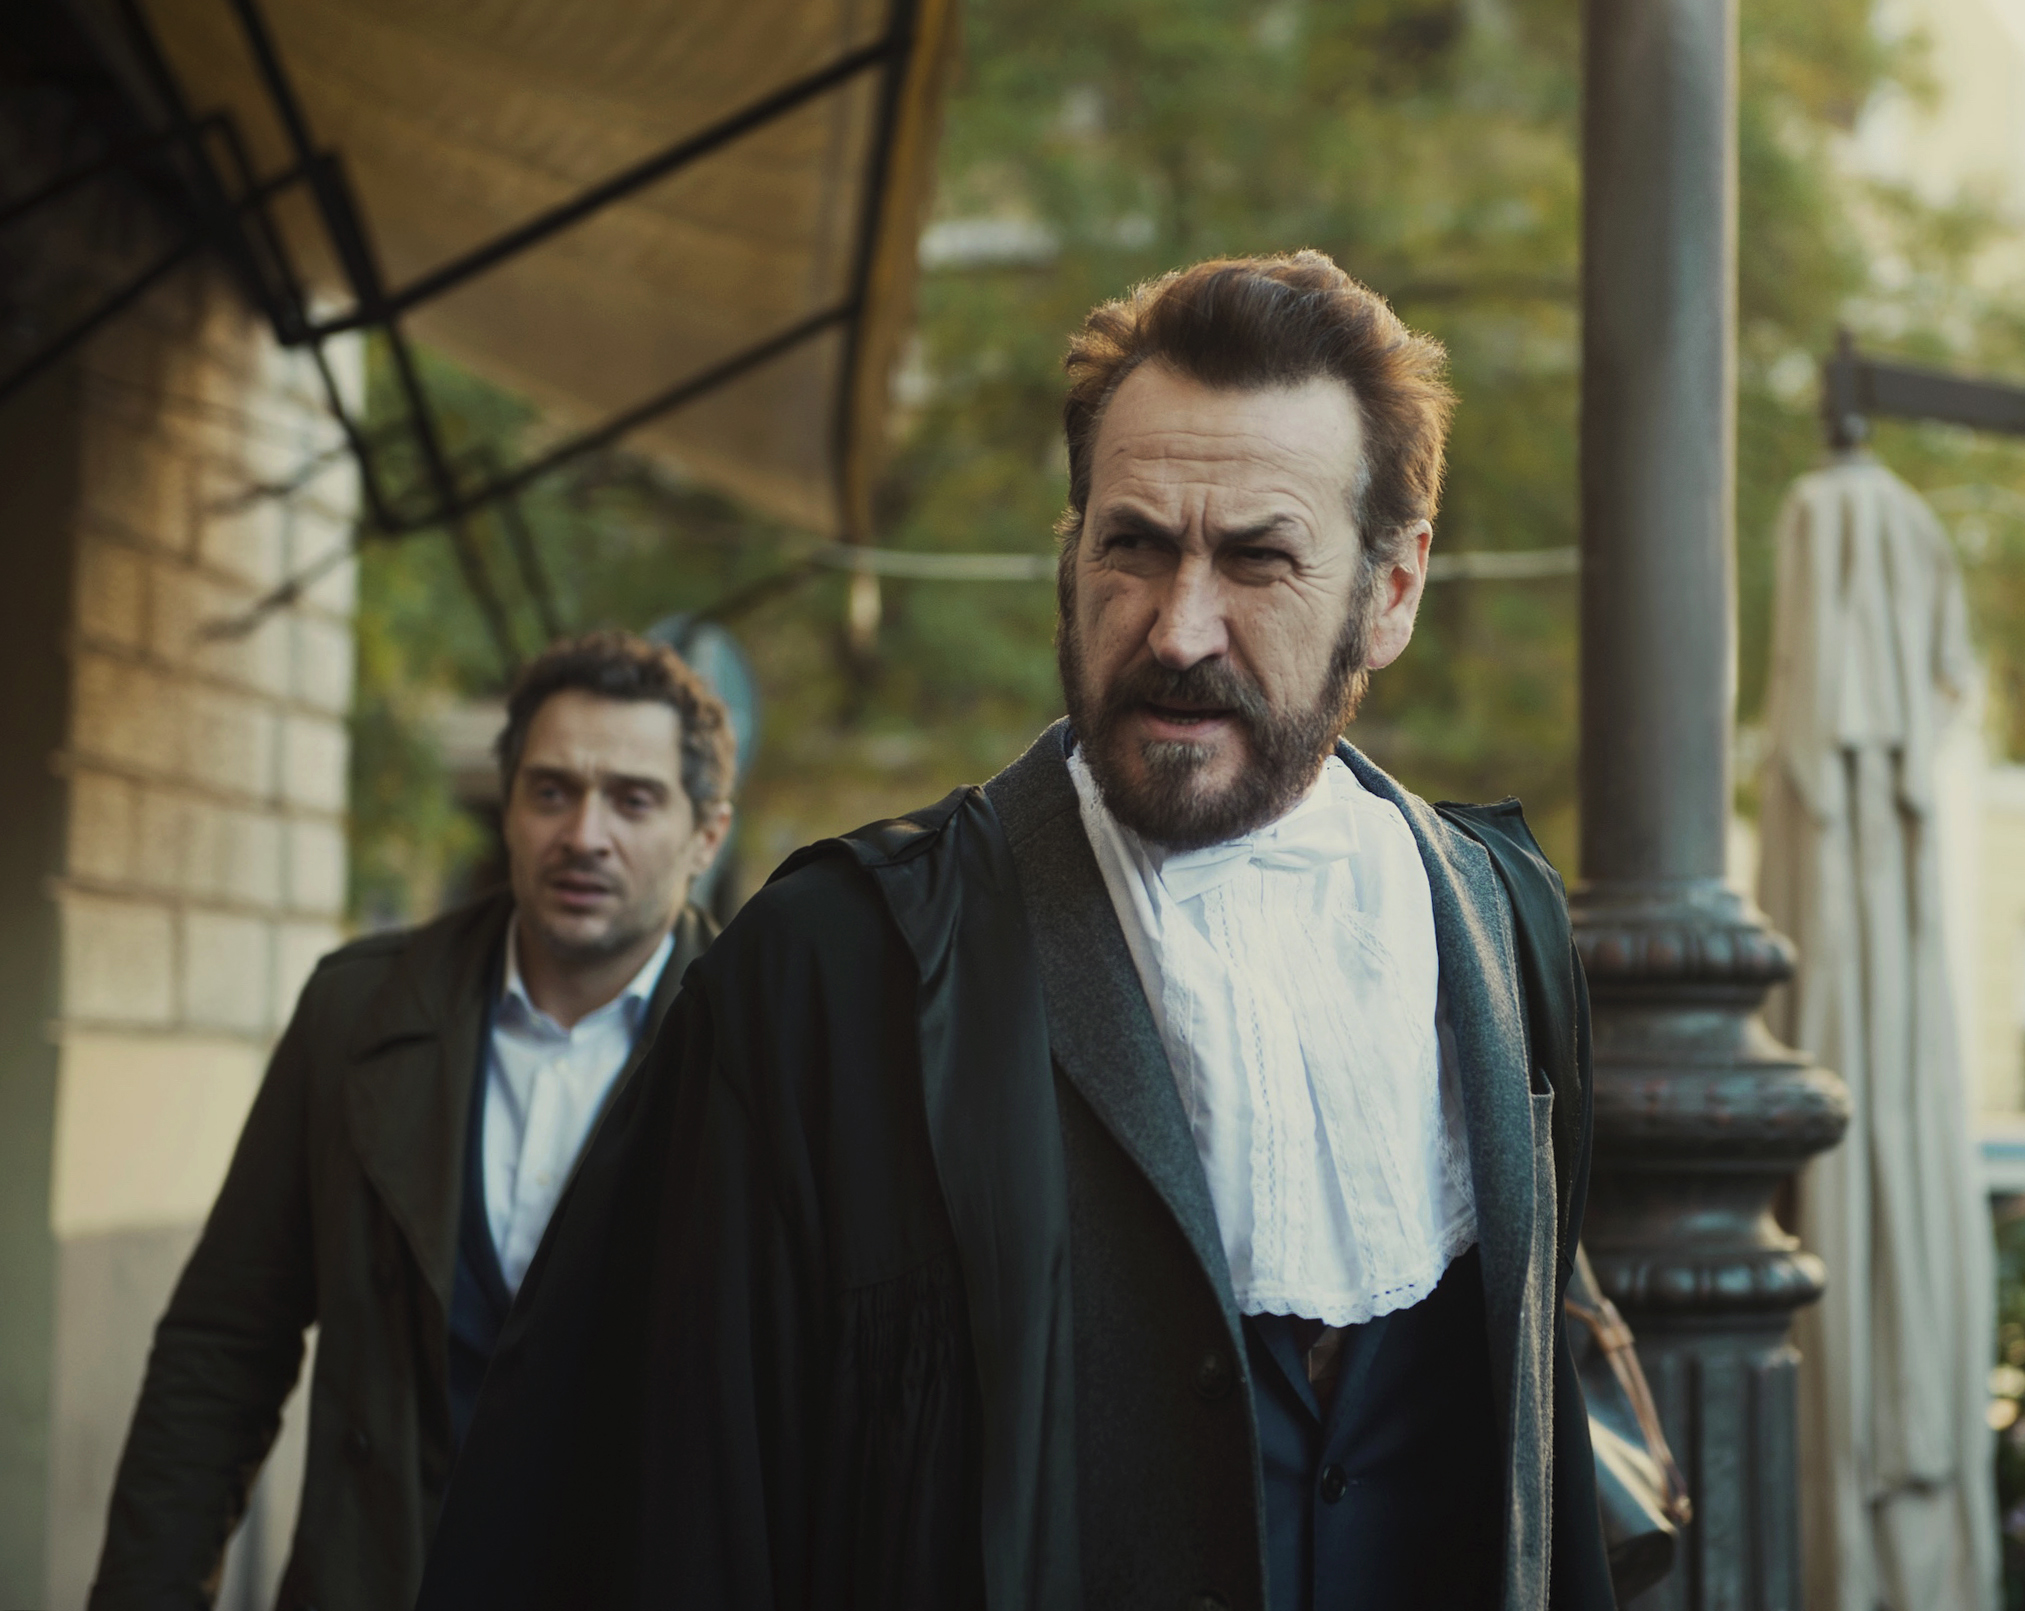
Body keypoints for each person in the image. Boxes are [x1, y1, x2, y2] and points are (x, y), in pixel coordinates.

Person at [418, 252, 1616, 1611]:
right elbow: (646, 1509)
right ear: (1071, 548)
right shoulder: (831, 970)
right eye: (1134, 544)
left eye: (1259, 558)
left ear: (1391, 593)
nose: (1180, 629)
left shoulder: (1503, 930)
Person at [89, 632, 733, 1611]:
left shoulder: (761, 1054)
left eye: (633, 800)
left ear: (706, 835)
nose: (585, 833)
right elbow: (223, 1348)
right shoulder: (356, 1012)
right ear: (507, 807)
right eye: (551, 791)